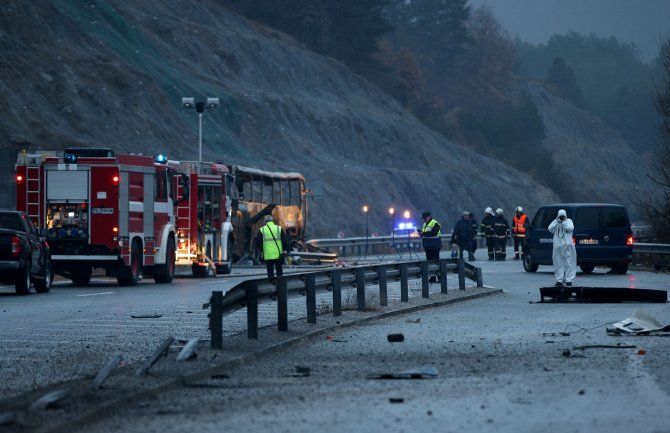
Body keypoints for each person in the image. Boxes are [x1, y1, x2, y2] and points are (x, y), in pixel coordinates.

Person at [255, 215, 289, 279]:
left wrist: (262, 249)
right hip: (279, 253)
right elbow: (285, 240)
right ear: (272, 221)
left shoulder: (262, 230)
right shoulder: (278, 228)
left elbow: (258, 242)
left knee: (270, 270)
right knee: (279, 270)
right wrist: (288, 250)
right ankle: (280, 285)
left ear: (265, 222)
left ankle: (271, 283)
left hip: (268, 254)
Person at [548, 209, 576, 286]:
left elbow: (571, 228)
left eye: (563, 216)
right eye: (560, 216)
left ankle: (569, 279)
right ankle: (559, 280)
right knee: (558, 263)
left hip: (568, 246)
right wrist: (556, 221)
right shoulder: (556, 222)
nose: (562, 218)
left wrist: (563, 222)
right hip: (557, 246)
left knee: (569, 263)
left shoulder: (569, 221)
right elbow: (550, 229)